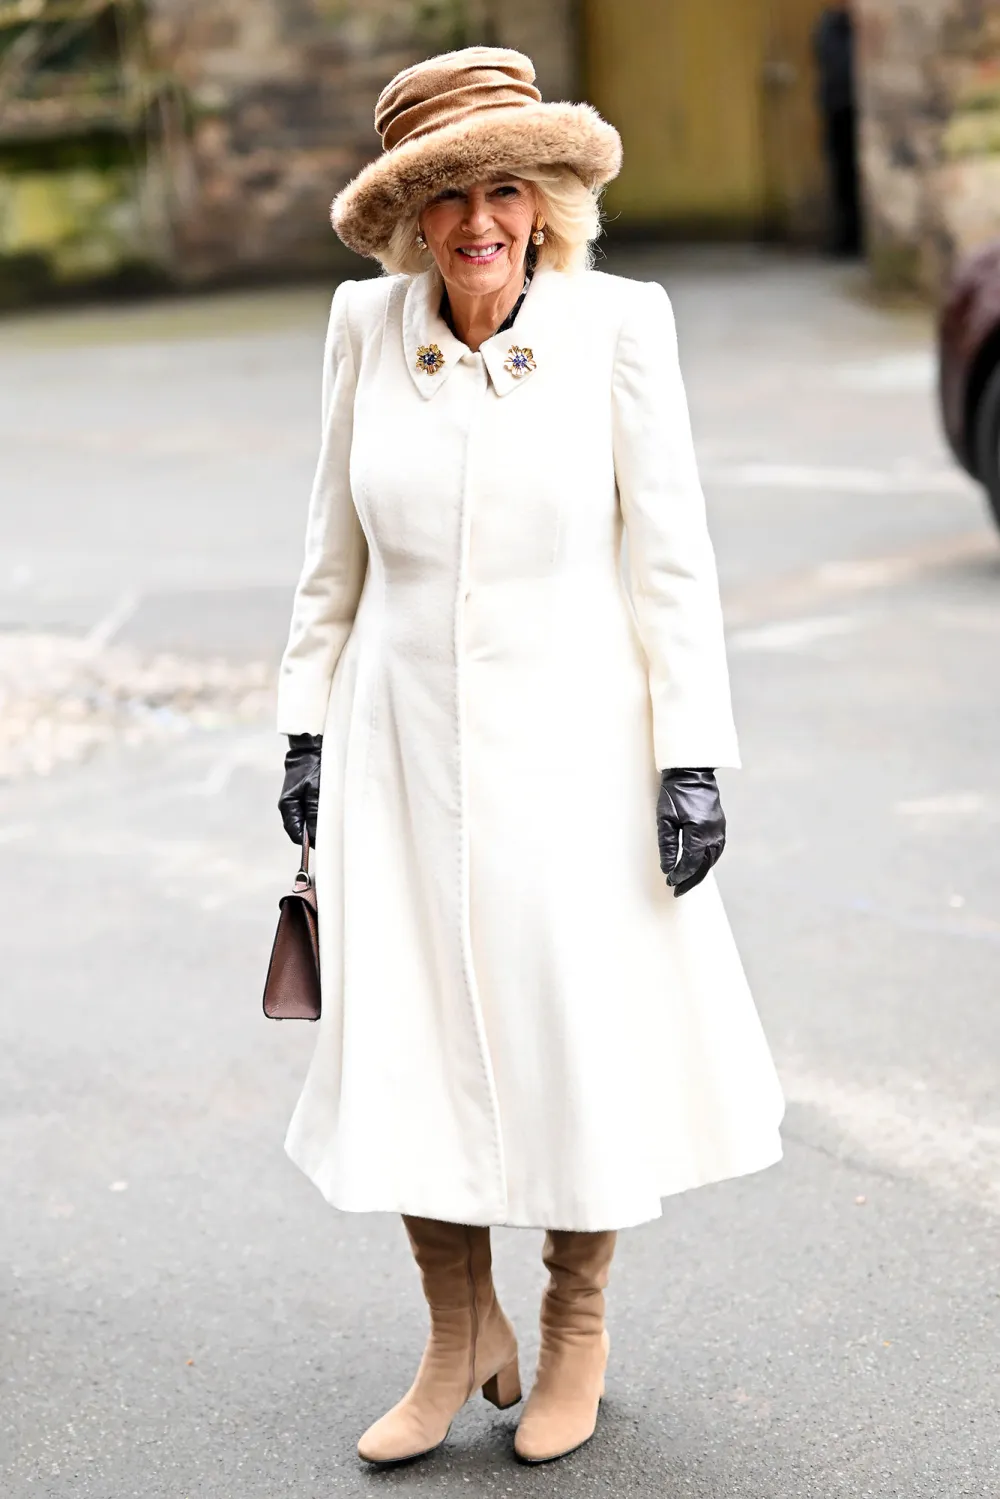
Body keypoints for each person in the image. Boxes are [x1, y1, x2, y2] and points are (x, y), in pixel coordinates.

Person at [276, 46, 784, 1468]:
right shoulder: (361, 327)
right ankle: (458, 1331)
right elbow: (330, 557)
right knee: (410, 1035)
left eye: (506, 188)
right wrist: (303, 727)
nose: (479, 220)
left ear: (549, 202)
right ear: (408, 221)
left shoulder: (625, 324)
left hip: (576, 742)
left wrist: (692, 754)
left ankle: (573, 1323)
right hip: (397, 743)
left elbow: (671, 558)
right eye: (446, 198)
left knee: (573, 1030)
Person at [813, 1, 862, 255]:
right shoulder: (829, 26)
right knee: (842, 176)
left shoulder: (858, 27)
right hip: (838, 107)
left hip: (857, 108)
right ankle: (847, 237)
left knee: (856, 175)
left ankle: (859, 238)